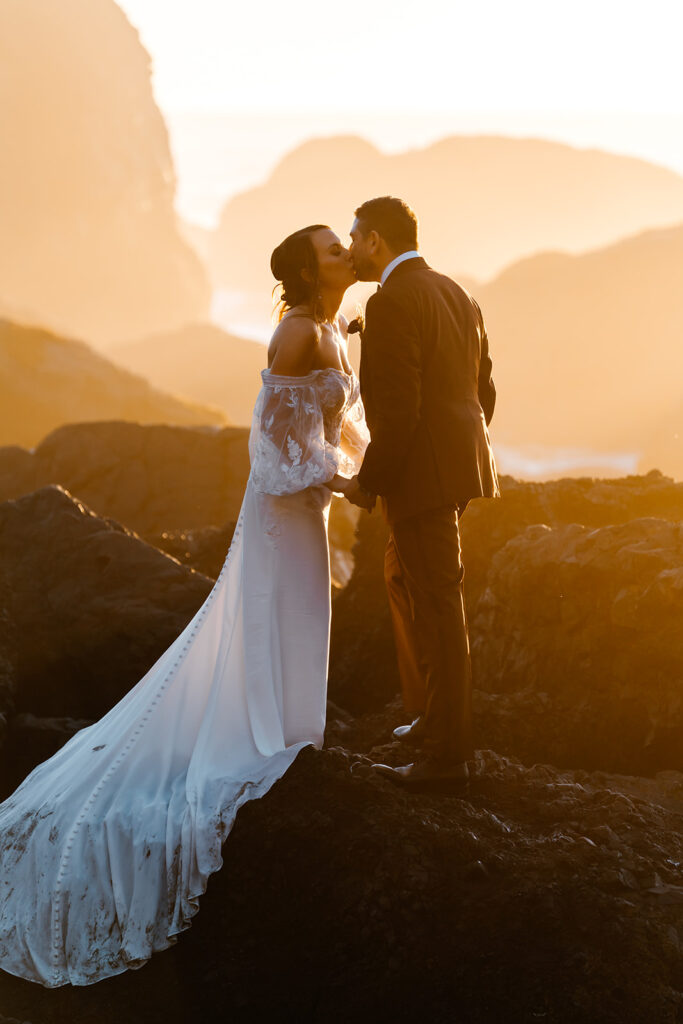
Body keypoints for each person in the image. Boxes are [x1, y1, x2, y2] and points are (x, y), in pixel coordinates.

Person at [0, 224, 368, 987]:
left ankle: (293, 728)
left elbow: (334, 424)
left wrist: (352, 470)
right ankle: (265, 732)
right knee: (275, 613)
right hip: (283, 511)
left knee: (307, 617)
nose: (345, 253)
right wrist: (332, 479)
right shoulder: (296, 334)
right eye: (333, 247)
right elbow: (268, 448)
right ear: (307, 268)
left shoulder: (332, 328)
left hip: (313, 507)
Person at [345, 196, 500, 787]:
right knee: (401, 577)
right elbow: (483, 393)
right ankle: (431, 716)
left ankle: (447, 759)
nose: (351, 248)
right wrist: (461, 456)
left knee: (439, 610)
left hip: (421, 479)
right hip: (454, 471)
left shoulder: (391, 302)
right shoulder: (459, 294)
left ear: (376, 241)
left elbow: (400, 412)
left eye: (354, 238)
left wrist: (369, 483)